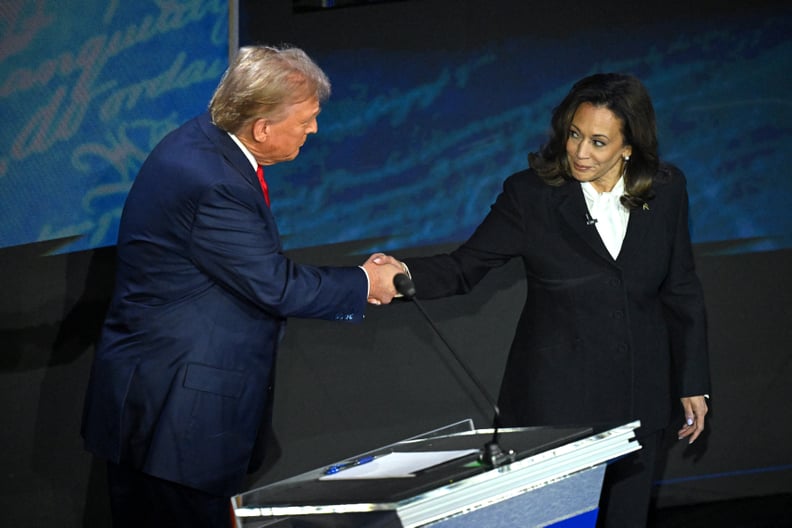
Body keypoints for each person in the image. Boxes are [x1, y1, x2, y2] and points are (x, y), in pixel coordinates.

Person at [81, 45, 403, 528]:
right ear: (262, 128)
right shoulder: (215, 183)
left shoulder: (202, 141)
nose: (313, 130)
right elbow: (273, 284)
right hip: (177, 420)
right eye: (306, 120)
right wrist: (365, 282)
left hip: (158, 404)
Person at [374, 73, 710, 527]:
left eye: (598, 141)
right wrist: (399, 277)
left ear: (628, 147)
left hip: (641, 398)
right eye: (574, 134)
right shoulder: (531, 195)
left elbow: (681, 287)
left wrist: (692, 381)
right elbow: (464, 266)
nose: (580, 152)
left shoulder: (666, 189)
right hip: (556, 407)